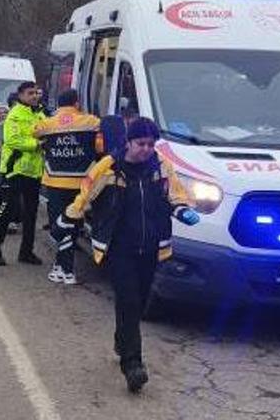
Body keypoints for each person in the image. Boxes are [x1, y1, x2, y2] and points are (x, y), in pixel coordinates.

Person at [58, 117, 198, 393]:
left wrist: (182, 209)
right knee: (129, 301)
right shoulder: (109, 167)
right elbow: (85, 194)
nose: (146, 149)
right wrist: (68, 218)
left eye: (150, 144)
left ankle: (122, 341)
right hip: (118, 247)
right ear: (129, 142)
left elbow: (175, 194)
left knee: (140, 301)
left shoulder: (160, 166)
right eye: (141, 144)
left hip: (151, 246)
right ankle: (133, 364)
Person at [35, 88, 102, 285]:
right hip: (80, 183)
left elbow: (36, 134)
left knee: (60, 224)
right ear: (77, 103)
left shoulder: (47, 124)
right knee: (72, 224)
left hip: (55, 182)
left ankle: (64, 267)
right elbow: (99, 147)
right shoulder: (92, 122)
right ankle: (64, 267)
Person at [0, 82, 47, 267]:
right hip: (15, 170)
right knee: (6, 211)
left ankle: (26, 252)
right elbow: (13, 140)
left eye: (36, 93)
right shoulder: (14, 114)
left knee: (30, 214)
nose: (34, 96)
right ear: (21, 95)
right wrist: (37, 143)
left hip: (34, 171)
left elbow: (47, 131)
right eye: (30, 93)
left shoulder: (39, 113)